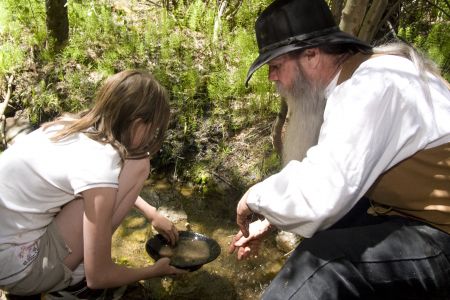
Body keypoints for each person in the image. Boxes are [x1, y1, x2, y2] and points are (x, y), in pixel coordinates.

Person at [228, 0, 450, 299]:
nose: (272, 78)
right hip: (407, 216)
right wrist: (270, 221)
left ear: (311, 55)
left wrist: (255, 198)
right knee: (326, 237)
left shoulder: (370, 86)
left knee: (322, 267)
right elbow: (337, 173)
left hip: (440, 233)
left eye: (276, 66)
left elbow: (323, 195)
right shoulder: (368, 76)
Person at [0, 70, 187, 299]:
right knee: (139, 164)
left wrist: (150, 212)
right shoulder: (102, 161)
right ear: (138, 123)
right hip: (19, 270)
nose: (152, 137)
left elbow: (100, 190)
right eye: (153, 129)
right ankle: (72, 284)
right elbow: (98, 276)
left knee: (113, 183)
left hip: (7, 252)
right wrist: (151, 271)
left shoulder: (71, 125)